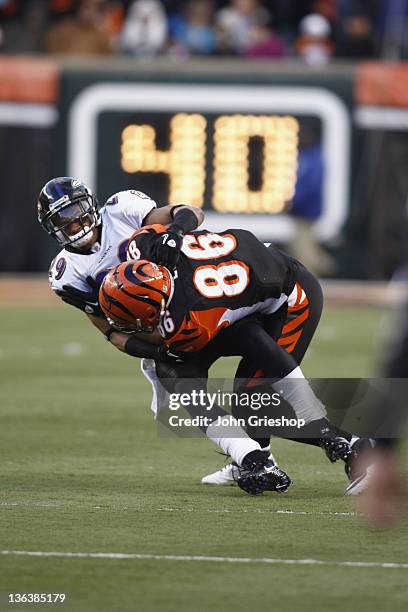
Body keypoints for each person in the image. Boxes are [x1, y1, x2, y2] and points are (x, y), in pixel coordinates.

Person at [37, 176, 293, 496]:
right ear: (54, 228)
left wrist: (174, 234)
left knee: (253, 374)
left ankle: (295, 450)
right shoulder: (68, 273)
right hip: (159, 333)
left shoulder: (121, 209)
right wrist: (158, 353)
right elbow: (111, 331)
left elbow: (189, 212)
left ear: (90, 203)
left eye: (76, 210)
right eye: (63, 219)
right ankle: (254, 457)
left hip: (198, 301)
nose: (74, 222)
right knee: (174, 407)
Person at [99, 224, 374, 495]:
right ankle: (254, 457)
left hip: (290, 297)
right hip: (242, 287)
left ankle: (356, 446)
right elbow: (178, 217)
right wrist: (177, 230)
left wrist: (312, 414)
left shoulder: (193, 320)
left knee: (251, 402)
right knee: (188, 383)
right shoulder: (143, 247)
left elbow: (253, 340)